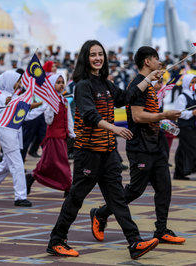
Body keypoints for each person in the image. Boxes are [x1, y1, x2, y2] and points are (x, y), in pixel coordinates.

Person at [47, 40, 162, 259]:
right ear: (85, 58)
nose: (98, 58)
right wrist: (114, 128)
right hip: (88, 152)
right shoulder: (82, 85)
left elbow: (126, 98)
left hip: (108, 152)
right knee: (75, 198)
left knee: (117, 199)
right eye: (93, 55)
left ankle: (135, 242)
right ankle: (56, 241)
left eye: (100, 54)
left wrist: (147, 80)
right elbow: (90, 115)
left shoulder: (105, 83)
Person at [90, 46, 184, 245]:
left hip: (156, 143)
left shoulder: (150, 85)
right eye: (156, 58)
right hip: (140, 144)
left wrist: (164, 122)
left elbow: (150, 114)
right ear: (147, 62)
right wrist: (164, 115)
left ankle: (161, 229)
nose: (160, 62)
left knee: (164, 187)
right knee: (135, 189)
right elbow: (138, 116)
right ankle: (100, 213)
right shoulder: (138, 85)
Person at [0, 70, 41, 207]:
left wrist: (43, 107)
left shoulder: (14, 97)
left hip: (16, 135)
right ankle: (20, 197)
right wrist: (7, 105)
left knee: (6, 166)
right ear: (9, 82)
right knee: (17, 165)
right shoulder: (1, 98)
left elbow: (26, 116)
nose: (19, 84)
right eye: (17, 81)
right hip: (8, 136)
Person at [26, 74, 75, 194]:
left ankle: (32, 177)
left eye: (62, 82)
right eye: (58, 82)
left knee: (48, 163)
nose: (61, 84)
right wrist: (50, 109)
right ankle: (68, 187)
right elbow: (49, 121)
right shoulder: (50, 101)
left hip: (62, 137)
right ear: (52, 85)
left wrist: (73, 134)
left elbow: (68, 119)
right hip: (53, 137)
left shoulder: (64, 101)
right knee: (61, 163)